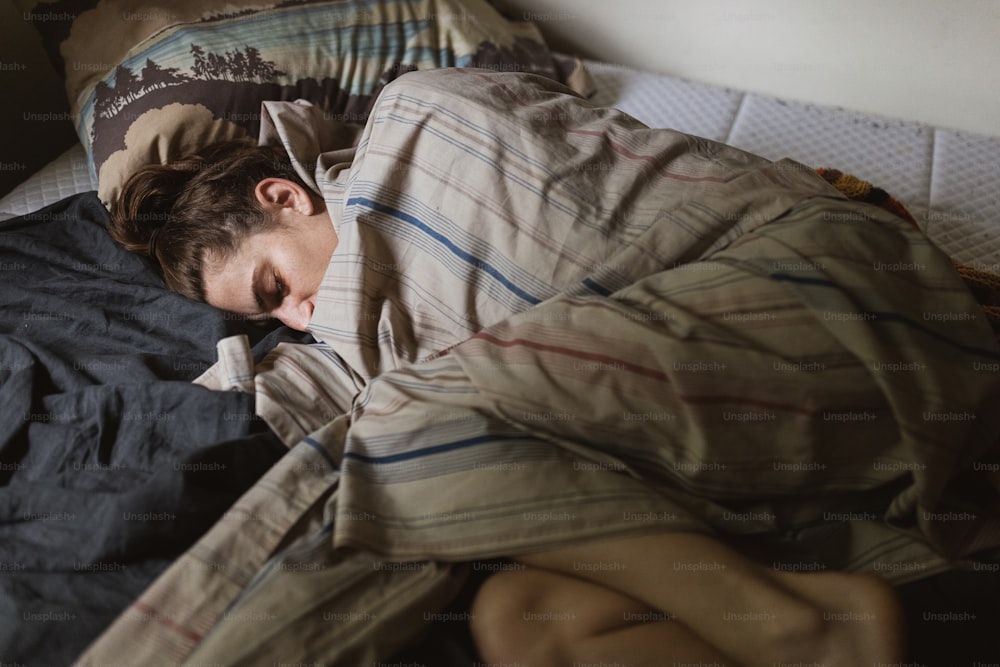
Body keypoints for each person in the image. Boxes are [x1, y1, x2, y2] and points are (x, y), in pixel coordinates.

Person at [106, 69, 997, 666]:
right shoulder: (361, 341)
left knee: (403, 425)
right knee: (521, 620)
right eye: (268, 318)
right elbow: (281, 397)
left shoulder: (420, 121)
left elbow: (572, 202)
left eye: (276, 284)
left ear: (285, 195)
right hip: (685, 408)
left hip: (798, 280)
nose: (298, 318)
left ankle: (803, 629)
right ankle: (837, 622)